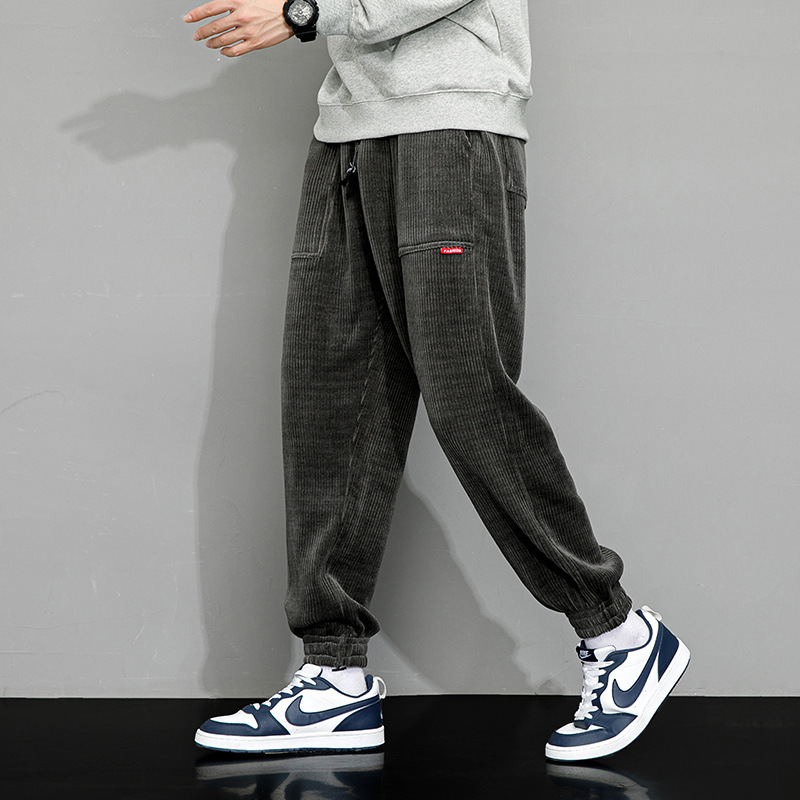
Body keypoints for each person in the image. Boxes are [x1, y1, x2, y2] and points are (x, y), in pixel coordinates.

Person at [185, 0, 690, 762]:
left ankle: (620, 634)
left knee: (469, 398)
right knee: (329, 404)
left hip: (448, 133)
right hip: (347, 135)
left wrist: (303, 12)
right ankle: (333, 676)